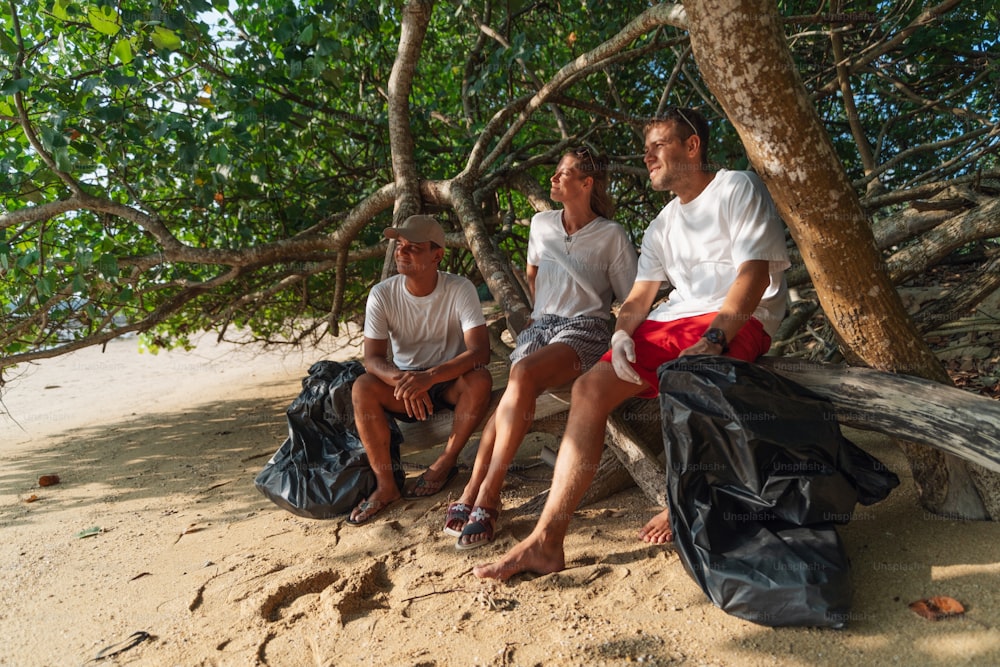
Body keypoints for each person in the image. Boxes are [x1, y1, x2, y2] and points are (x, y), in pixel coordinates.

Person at [473, 108, 790, 578]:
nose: (647, 157)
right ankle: (547, 539)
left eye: (657, 146)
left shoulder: (736, 187)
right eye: (645, 151)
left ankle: (687, 496)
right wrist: (622, 333)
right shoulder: (662, 224)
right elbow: (640, 296)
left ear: (692, 146)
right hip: (674, 319)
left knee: (691, 379)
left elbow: (754, 273)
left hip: (735, 314)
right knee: (589, 388)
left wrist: (715, 338)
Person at [446, 147, 637, 549]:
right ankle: (471, 492)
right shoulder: (541, 224)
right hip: (541, 325)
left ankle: (487, 496)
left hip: (585, 326)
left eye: (563, 173)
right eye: (554, 172)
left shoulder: (611, 235)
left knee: (521, 374)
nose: (553, 179)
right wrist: (539, 311)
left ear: (586, 183)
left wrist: (621, 338)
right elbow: (533, 272)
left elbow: (629, 296)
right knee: (510, 394)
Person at [348, 215, 494, 525]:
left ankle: (445, 462)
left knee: (480, 379)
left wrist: (429, 378)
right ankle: (386, 486)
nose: (402, 253)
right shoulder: (382, 294)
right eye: (400, 246)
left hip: (449, 380)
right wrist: (404, 381)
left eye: (413, 248)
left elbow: (480, 351)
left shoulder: (459, 288)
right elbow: (372, 359)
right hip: (406, 386)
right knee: (362, 387)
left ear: (436, 255)